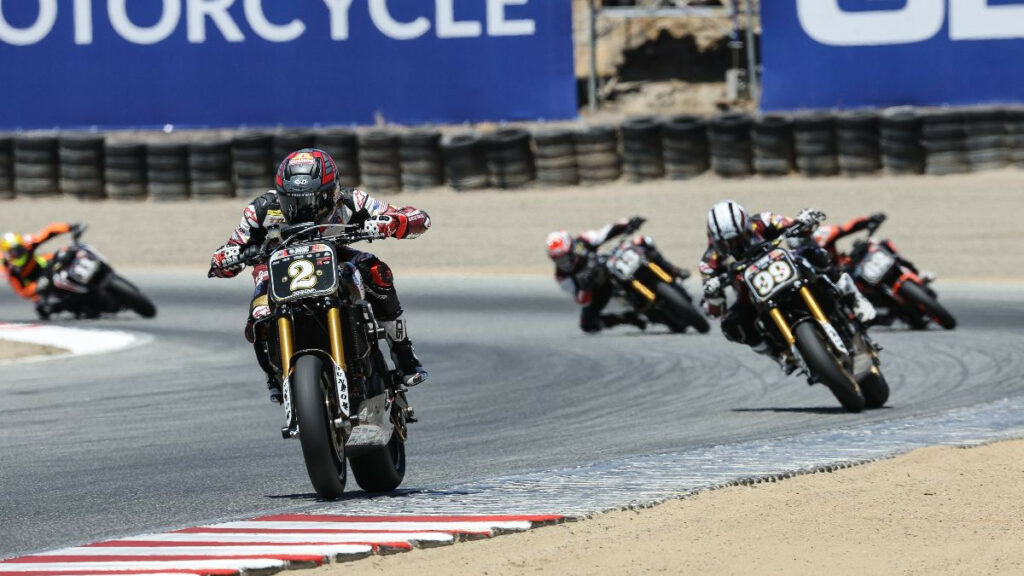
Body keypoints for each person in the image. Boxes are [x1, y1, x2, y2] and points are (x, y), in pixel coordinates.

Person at [208, 148, 430, 403]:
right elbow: (229, 253)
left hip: (336, 256)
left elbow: (418, 218)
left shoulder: (352, 200)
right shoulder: (260, 210)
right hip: (279, 268)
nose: (303, 210)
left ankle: (403, 353)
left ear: (333, 191)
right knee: (258, 313)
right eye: (293, 201)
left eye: (313, 201)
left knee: (376, 271)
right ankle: (274, 374)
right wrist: (225, 259)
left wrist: (393, 222)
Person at [699, 200, 876, 372]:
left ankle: (855, 299)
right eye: (726, 243)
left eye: (740, 238)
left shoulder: (762, 221)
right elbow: (714, 309)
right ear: (713, 238)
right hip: (752, 296)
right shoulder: (709, 262)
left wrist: (803, 221)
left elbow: (790, 224)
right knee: (731, 324)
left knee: (814, 254)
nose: (734, 246)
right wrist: (713, 293)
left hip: (783, 268)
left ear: (747, 226)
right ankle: (777, 355)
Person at [546, 216, 689, 333]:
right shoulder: (562, 276)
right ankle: (625, 318)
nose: (563, 262)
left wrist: (627, 224)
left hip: (608, 264)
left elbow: (606, 232)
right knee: (587, 324)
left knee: (642, 241)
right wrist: (585, 286)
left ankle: (672, 269)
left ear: (571, 246)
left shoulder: (583, 240)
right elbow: (580, 299)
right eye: (558, 259)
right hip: (599, 289)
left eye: (564, 257)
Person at [813, 212, 936, 284]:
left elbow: (848, 227)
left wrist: (870, 220)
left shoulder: (821, 235)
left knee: (878, 243)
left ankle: (916, 273)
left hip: (848, 266)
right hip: (837, 281)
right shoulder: (796, 255)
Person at [1, 222, 82, 318]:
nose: (18, 254)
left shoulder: (28, 244)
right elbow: (22, 291)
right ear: (6, 254)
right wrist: (37, 286)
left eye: (19, 249)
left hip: (46, 265)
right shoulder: (7, 269)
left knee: (68, 252)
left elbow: (49, 231)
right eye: (13, 253)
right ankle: (77, 307)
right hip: (37, 284)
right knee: (43, 309)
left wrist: (70, 227)